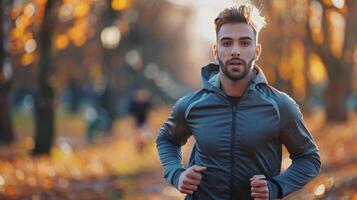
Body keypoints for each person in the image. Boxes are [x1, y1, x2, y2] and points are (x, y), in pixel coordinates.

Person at [156, 3, 321, 200]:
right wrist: (177, 174)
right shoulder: (192, 104)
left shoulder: (280, 106)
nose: (235, 51)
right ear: (216, 50)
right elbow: (167, 139)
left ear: (257, 50)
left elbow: (309, 158)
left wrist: (276, 187)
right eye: (227, 43)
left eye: (244, 43)